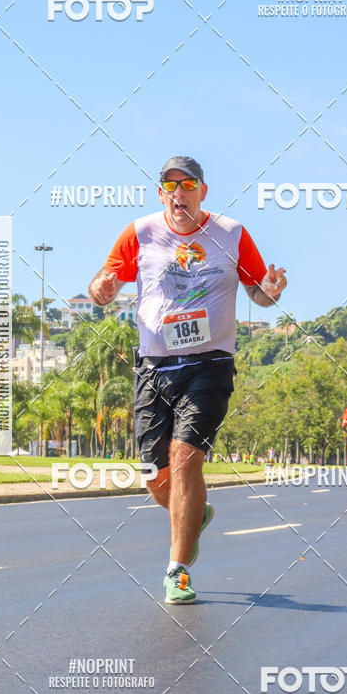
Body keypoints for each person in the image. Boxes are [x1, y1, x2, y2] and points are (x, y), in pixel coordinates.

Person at [88, 155, 287, 603]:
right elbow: (106, 280)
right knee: (159, 481)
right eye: (170, 186)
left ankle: (177, 570)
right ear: (162, 194)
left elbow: (258, 290)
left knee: (185, 459)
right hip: (154, 368)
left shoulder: (231, 234)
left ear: (203, 191)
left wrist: (270, 291)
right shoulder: (140, 233)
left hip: (209, 364)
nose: (179, 193)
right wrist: (100, 289)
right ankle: (195, 513)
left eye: (188, 184)